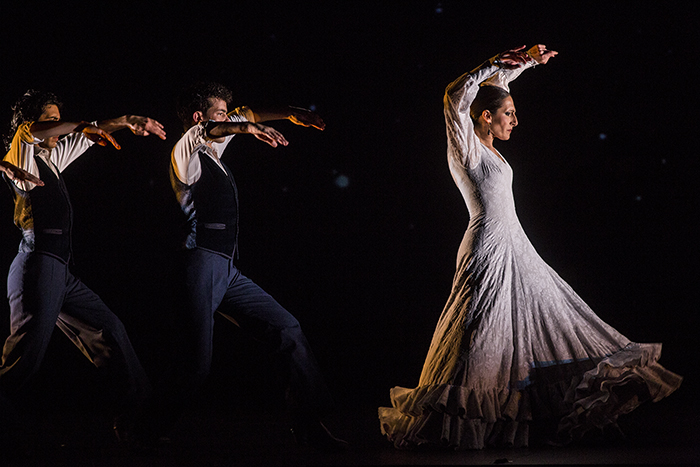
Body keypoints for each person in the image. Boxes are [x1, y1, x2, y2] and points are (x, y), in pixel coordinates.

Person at [378, 45, 683, 450]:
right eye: (508, 114)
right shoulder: (466, 148)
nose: (515, 120)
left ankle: (522, 419)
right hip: (488, 246)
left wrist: (524, 63)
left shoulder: (490, 147)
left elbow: (496, 88)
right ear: (485, 117)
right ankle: (451, 424)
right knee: (479, 335)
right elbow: (456, 94)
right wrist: (493, 63)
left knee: (538, 321)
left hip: (515, 246)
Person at [160, 81, 347, 450]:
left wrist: (292, 113)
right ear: (199, 118)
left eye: (229, 115)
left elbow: (245, 115)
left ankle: (309, 425)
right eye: (219, 113)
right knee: (197, 364)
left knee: (286, 328)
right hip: (198, 264)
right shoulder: (186, 151)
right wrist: (245, 128)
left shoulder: (215, 151)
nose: (228, 119)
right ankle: (145, 426)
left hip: (227, 270)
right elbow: (218, 127)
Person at [0, 89, 167, 433]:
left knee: (109, 330)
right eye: (51, 120)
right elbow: (32, 130)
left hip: (59, 269)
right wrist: (74, 125)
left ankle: (139, 418)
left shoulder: (52, 159)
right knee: (24, 359)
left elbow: (90, 136)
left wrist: (124, 121)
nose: (57, 128)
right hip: (37, 264)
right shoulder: (21, 154)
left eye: (59, 119)